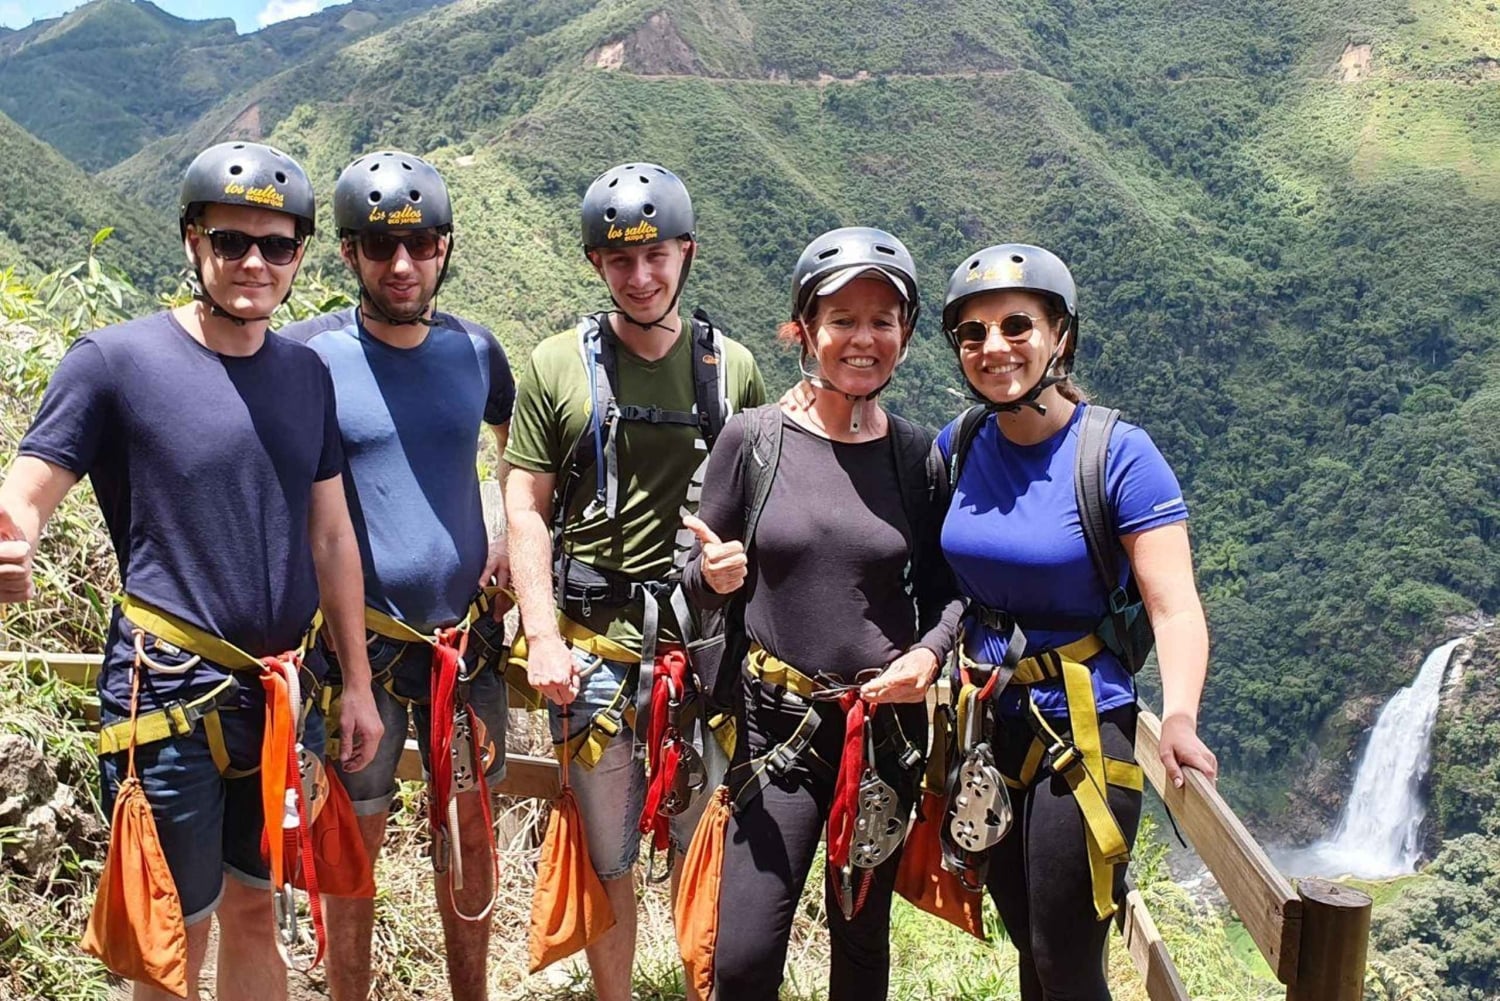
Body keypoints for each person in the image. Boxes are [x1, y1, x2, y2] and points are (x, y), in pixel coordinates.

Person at [0, 141, 382, 1001]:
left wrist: (354, 680)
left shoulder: (305, 376)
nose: (254, 261)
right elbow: (28, 492)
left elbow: (331, 538)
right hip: (167, 695)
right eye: (230, 240)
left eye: (277, 245)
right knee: (176, 930)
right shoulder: (115, 363)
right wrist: (11, 542)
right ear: (191, 241)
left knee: (258, 911)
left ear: (300, 256)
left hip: (283, 695)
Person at [504, 162, 764, 1000]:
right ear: (595, 265)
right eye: (621, 260)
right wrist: (541, 635)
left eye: (657, 255)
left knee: (704, 843)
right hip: (593, 647)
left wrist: (741, 572)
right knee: (606, 848)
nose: (642, 276)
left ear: (687, 252)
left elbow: (763, 510)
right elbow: (527, 507)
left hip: (705, 648)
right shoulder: (554, 367)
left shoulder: (733, 369)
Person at [681, 227, 963, 1000]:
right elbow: (696, 572)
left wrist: (931, 653)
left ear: (904, 335)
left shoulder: (915, 457)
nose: (862, 339)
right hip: (780, 728)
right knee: (743, 955)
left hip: (881, 734)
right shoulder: (754, 440)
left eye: (883, 320)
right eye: (842, 319)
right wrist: (713, 575)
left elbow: (946, 588)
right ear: (804, 329)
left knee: (862, 946)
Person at [934, 243, 1218, 999]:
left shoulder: (1117, 455)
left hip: (1083, 732)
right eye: (973, 333)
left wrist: (1182, 716)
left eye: (1017, 324)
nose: (994, 347)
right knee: (1027, 938)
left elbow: (1175, 603)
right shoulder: (957, 447)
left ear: (1060, 335)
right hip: (989, 725)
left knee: (1065, 955)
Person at [279, 150, 515, 1001]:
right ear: (348, 254)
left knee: (470, 837)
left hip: (466, 644)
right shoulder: (308, 358)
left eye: (421, 244)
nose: (403, 265)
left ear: (447, 246)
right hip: (359, 652)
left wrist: (500, 533)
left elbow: (513, 450)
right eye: (381, 247)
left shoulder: (476, 351)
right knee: (354, 840)